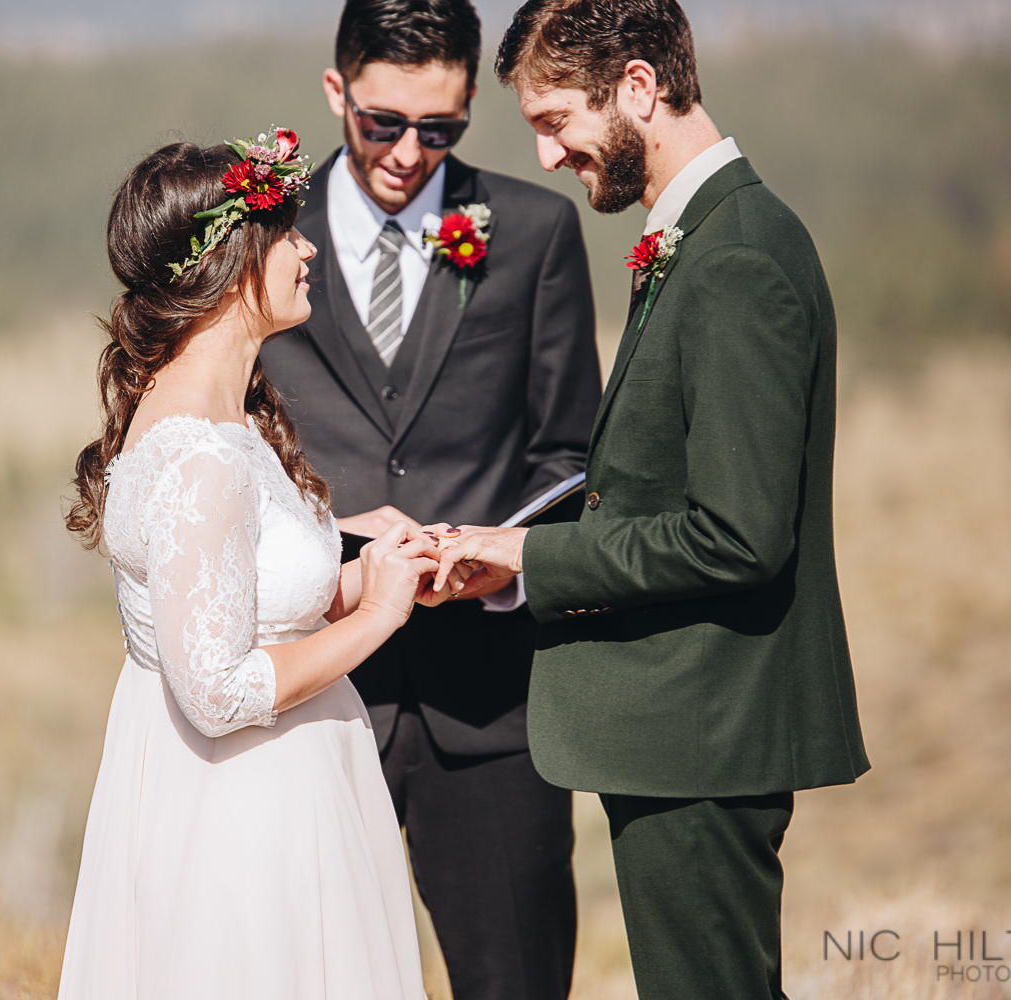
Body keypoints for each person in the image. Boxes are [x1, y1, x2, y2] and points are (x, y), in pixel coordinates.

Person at [435, 2, 870, 997]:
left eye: (552, 121)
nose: (544, 157)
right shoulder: (700, 239)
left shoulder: (737, 259)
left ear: (637, 87)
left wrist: (524, 558)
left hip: (703, 741)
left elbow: (735, 535)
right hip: (683, 738)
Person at [55, 133, 462, 999]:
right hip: (244, 814)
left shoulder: (222, 415)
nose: (308, 248)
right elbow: (218, 694)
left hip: (270, 787)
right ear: (228, 262)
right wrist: (379, 618)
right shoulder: (200, 453)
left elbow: (247, 595)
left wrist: (372, 572)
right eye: (286, 233)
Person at [257, 2, 600, 995]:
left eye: (440, 129)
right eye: (380, 123)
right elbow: (223, 450)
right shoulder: (263, 240)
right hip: (310, 695)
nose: (409, 153)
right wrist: (336, 555)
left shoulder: (535, 232)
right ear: (335, 92)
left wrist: (498, 563)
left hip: (488, 708)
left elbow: (568, 451)